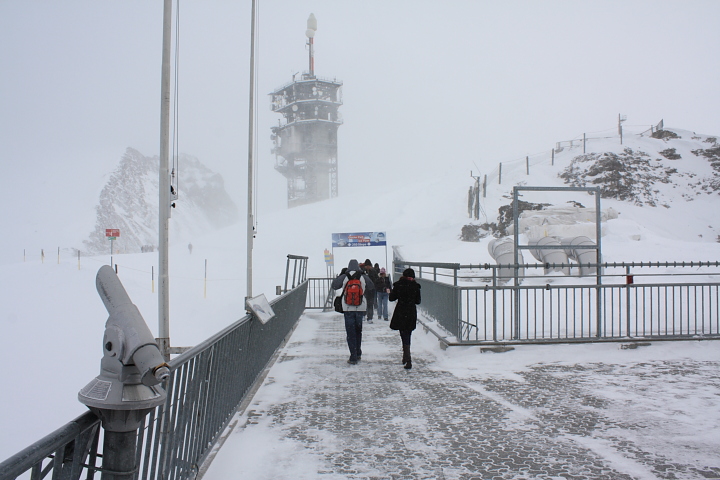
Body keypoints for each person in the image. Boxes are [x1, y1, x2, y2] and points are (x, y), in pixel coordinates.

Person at [331, 259, 375, 364]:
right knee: (358, 330)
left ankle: (353, 356)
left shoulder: (345, 276)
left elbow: (334, 285)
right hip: (360, 307)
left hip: (347, 307)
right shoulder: (362, 276)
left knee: (350, 332)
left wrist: (341, 275)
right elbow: (371, 286)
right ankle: (358, 352)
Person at [389, 268, 421, 370]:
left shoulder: (399, 285)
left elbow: (391, 298)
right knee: (408, 333)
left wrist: (391, 292)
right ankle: (406, 356)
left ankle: (408, 358)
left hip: (401, 311)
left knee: (403, 333)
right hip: (411, 312)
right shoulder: (415, 286)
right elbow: (418, 301)